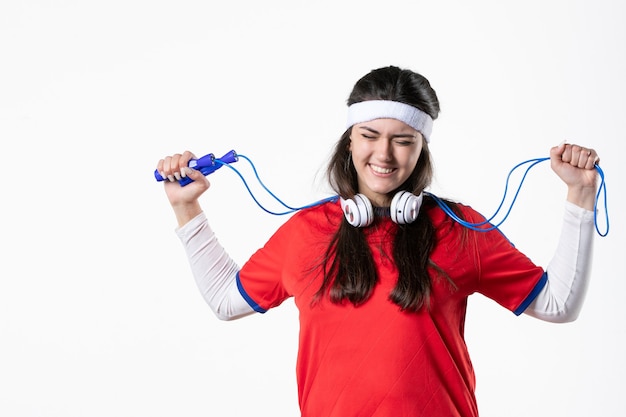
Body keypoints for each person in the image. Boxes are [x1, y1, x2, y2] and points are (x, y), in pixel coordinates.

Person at [156, 66, 599, 417]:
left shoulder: (460, 228)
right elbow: (224, 299)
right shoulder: (306, 231)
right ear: (350, 140)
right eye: (370, 136)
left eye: (402, 141)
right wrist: (185, 208)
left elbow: (558, 304)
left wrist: (580, 194)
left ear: (421, 148)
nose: (383, 155)